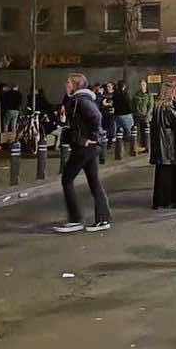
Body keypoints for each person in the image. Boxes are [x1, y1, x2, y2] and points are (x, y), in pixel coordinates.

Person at [54, 73, 112, 233]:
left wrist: (90, 138)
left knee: (67, 179)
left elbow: (96, 117)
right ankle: (103, 219)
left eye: (68, 82)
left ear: (75, 85)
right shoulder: (77, 99)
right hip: (88, 147)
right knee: (94, 182)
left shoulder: (81, 100)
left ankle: (76, 219)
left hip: (85, 147)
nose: (66, 85)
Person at [149, 76, 176, 209]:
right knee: (166, 175)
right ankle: (165, 201)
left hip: (160, 145)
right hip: (168, 145)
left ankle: (160, 201)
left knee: (161, 175)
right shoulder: (168, 107)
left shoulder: (158, 106)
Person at [113, 80, 134, 145]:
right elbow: (129, 105)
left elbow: (114, 105)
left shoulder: (115, 95)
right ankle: (129, 146)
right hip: (126, 115)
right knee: (129, 132)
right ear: (124, 86)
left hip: (117, 116)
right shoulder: (126, 95)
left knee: (119, 134)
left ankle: (120, 147)